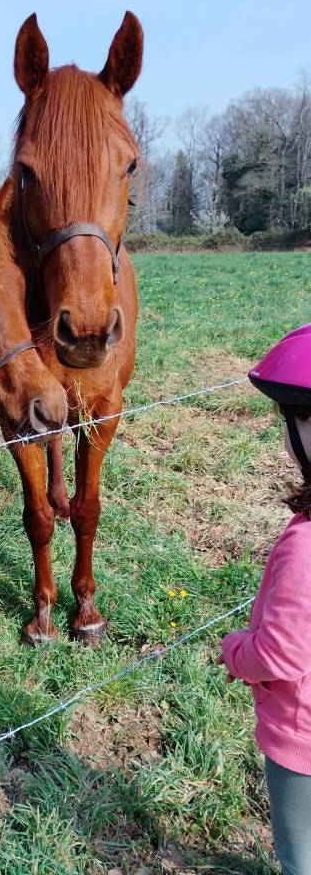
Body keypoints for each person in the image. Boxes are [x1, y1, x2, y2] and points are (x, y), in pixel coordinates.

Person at [218, 323, 311, 875]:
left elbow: (279, 654)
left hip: (301, 740)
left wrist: (236, 650)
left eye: (292, 418)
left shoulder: (304, 548)